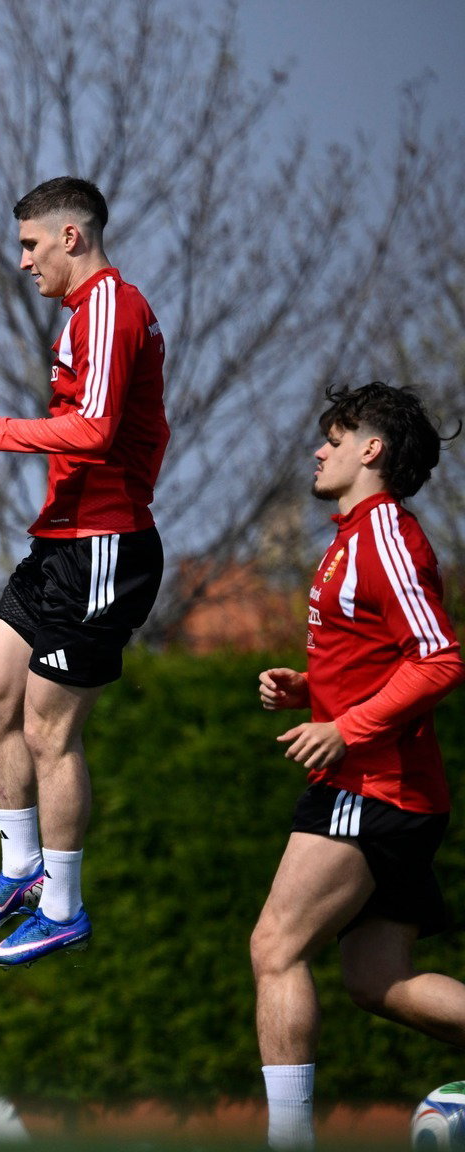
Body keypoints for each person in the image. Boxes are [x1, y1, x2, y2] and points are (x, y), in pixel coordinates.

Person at [0, 176, 169, 966]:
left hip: (104, 547)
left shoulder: (111, 307)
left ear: (71, 236)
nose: (22, 260)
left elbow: (92, 431)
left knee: (49, 729)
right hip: (61, 544)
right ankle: (22, 871)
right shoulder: (83, 316)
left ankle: (61, 906)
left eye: (30, 244)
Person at [250, 384, 465, 1150]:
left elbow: (439, 659)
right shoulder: (352, 538)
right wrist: (309, 690)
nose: (319, 449)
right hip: (384, 785)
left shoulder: (385, 537)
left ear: (371, 450)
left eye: (334, 438)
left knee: (274, 948)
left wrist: (346, 728)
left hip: (373, 787)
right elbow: (382, 657)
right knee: (378, 982)